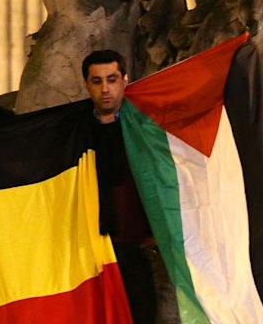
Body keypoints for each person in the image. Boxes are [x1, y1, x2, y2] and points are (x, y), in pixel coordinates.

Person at [82, 50, 180, 324]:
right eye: (97, 81)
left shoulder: (146, 125)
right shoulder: (76, 130)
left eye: (111, 79)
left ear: (125, 80)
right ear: (87, 85)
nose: (105, 89)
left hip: (142, 251)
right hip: (92, 254)